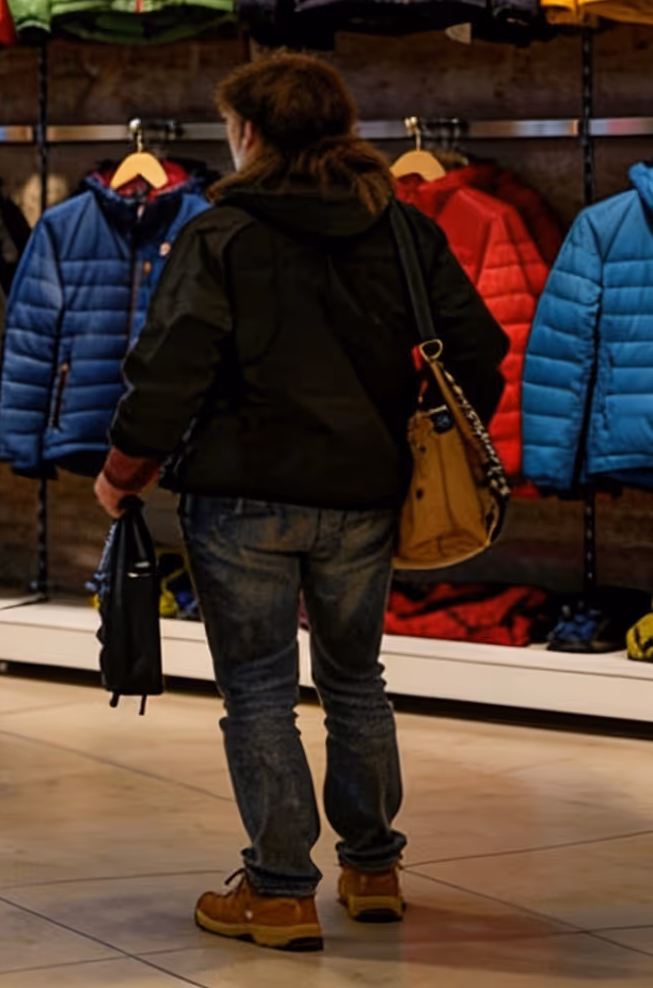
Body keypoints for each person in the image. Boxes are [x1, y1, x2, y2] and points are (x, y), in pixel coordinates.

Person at [94, 53, 506, 954]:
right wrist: (403, 423)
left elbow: (170, 368)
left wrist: (125, 467)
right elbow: (478, 352)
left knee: (259, 692)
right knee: (356, 680)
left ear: (250, 133)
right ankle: (374, 869)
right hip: (365, 492)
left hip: (241, 494)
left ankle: (279, 892)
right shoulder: (402, 229)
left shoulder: (220, 235)